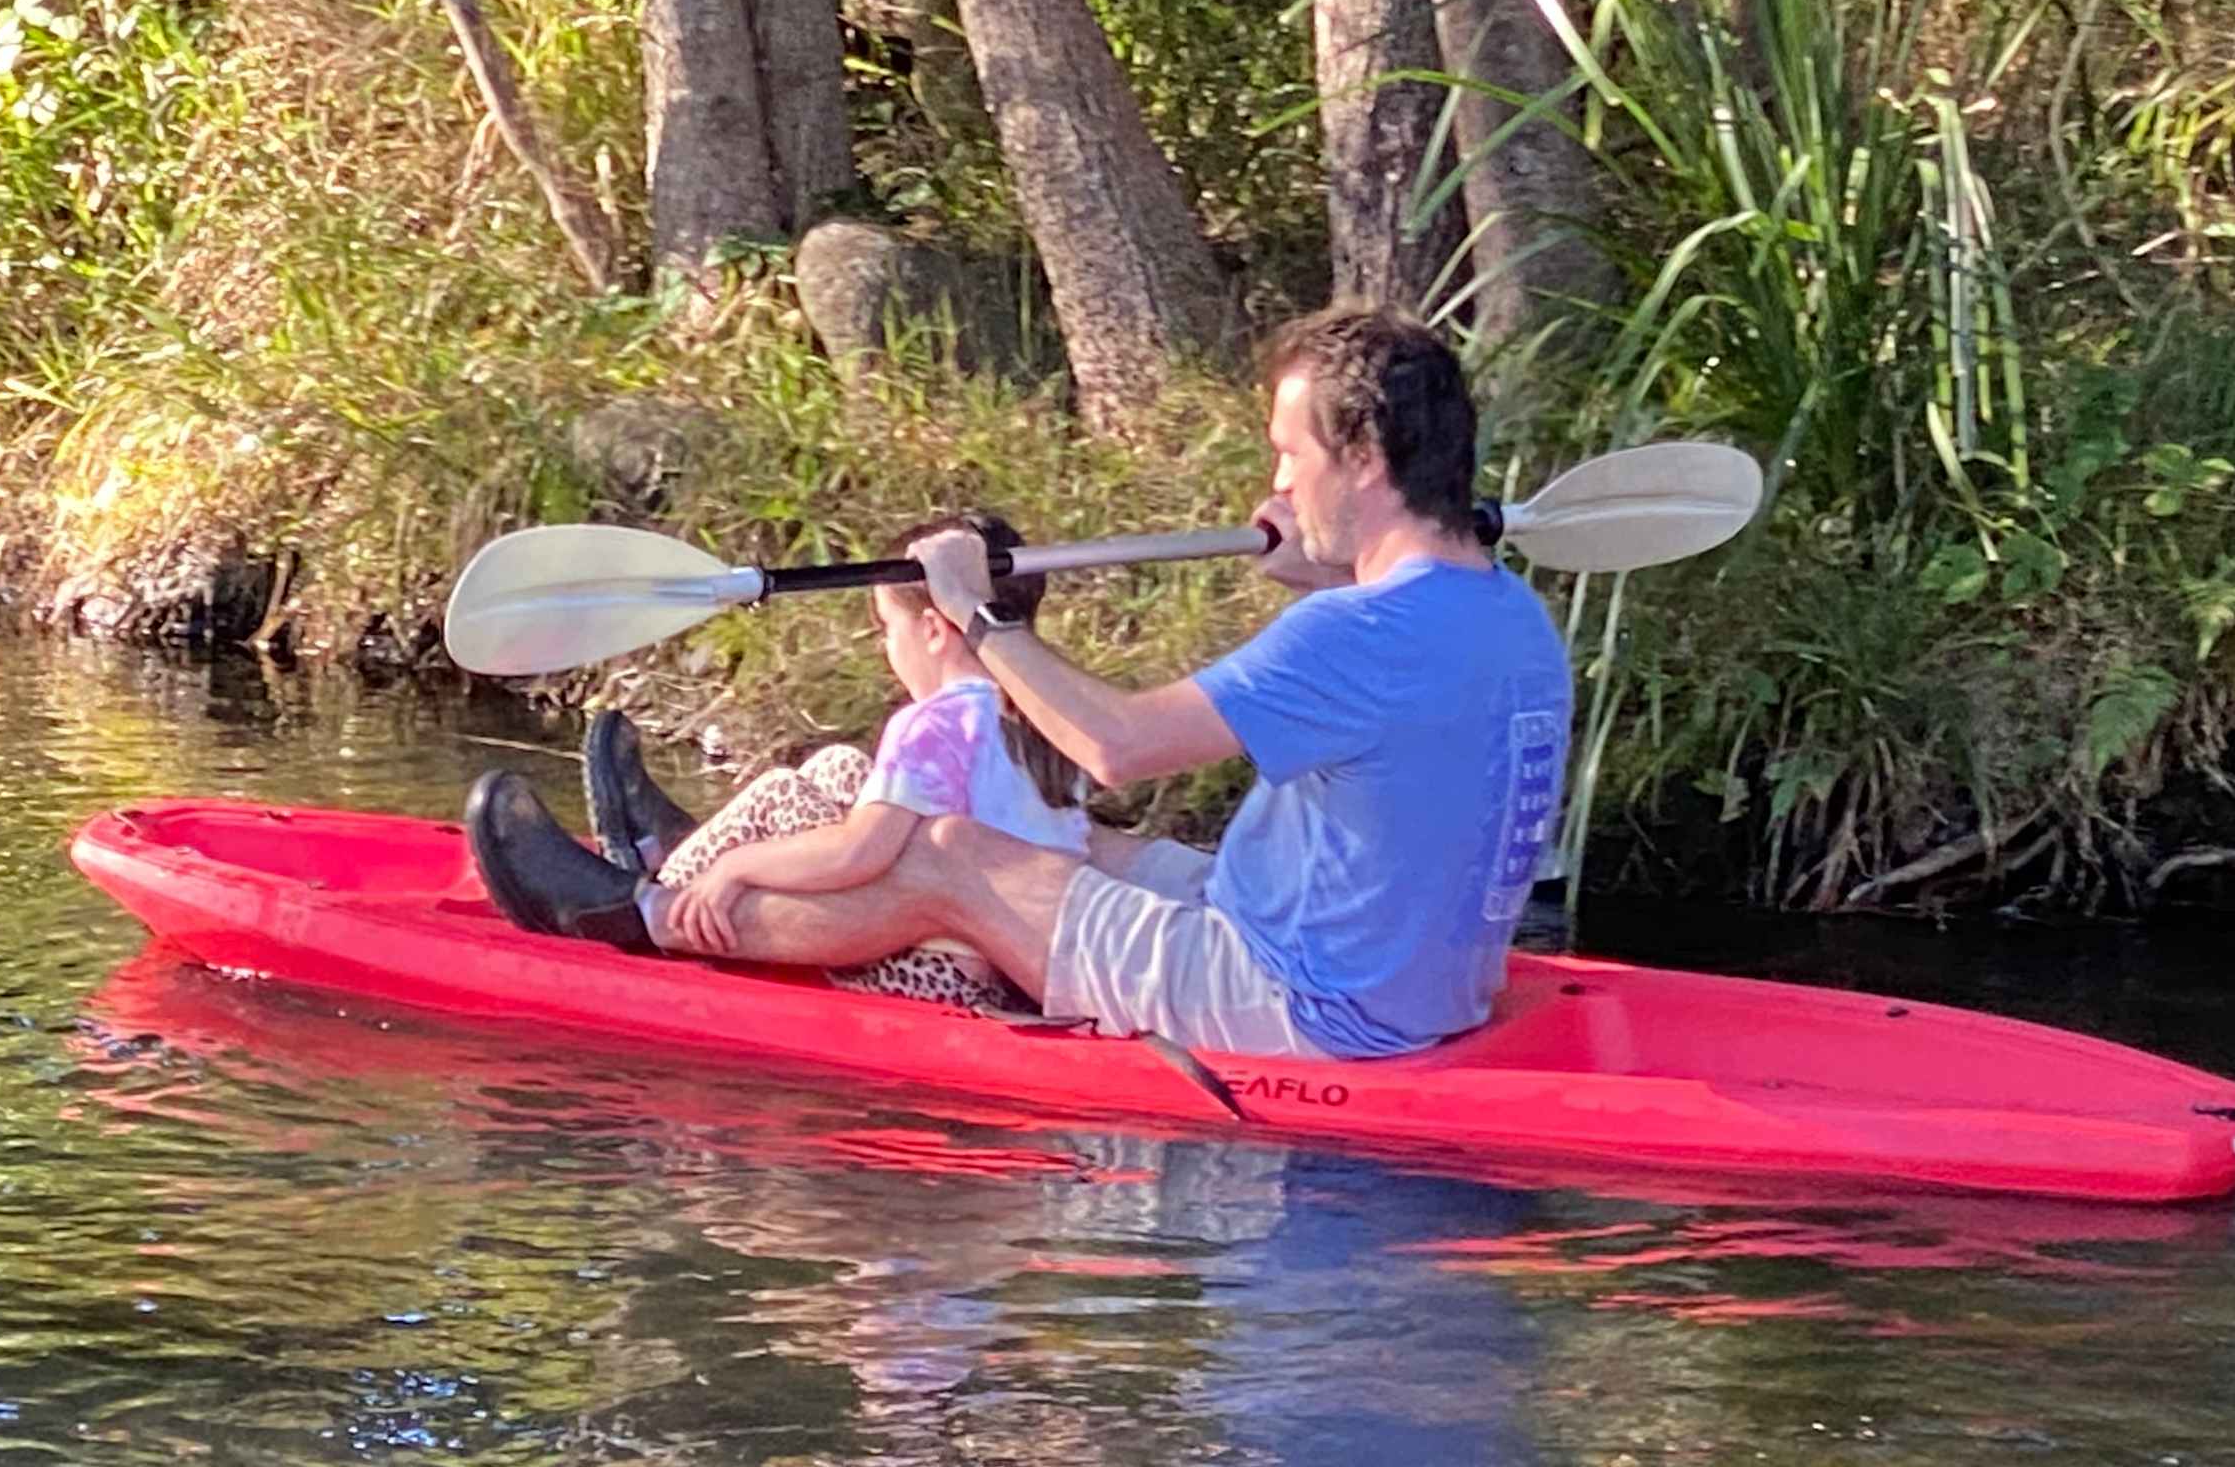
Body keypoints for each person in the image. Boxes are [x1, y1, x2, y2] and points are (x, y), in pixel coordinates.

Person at [467, 307, 1571, 1063]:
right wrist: (1326, 561)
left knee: (949, 854)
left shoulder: (1356, 631)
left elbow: (1118, 746)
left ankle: (642, 916)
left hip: (1299, 1006)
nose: (1277, 480)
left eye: (1293, 454)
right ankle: (703, 856)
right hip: (1409, 979)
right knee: (1076, 843)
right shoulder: (1508, 614)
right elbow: (1384, 729)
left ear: (1365, 458)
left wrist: (981, 618)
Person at [565, 515, 1092, 1009]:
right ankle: (672, 855)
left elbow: (857, 855)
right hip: (1013, 961)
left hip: (936, 970)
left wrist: (735, 867)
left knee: (778, 793)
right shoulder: (1051, 717)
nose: (886, 647)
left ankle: (652, 899)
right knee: (838, 766)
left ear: (933, 630)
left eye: (888, 628)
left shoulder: (934, 724)